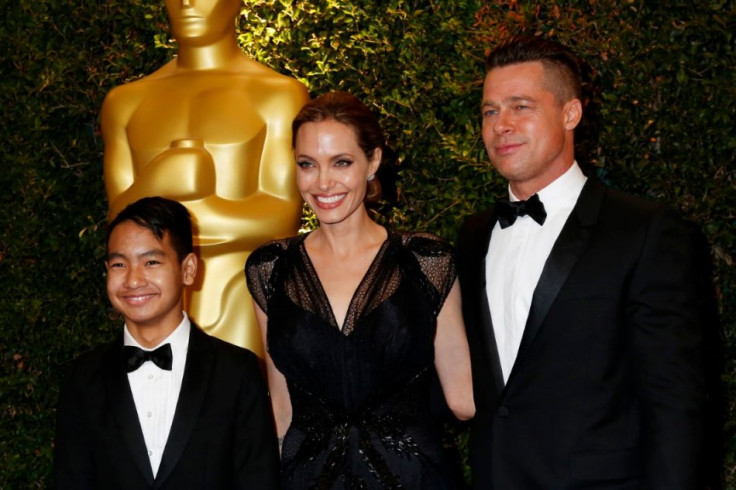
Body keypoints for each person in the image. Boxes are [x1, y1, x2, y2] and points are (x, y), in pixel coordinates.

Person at [456, 35, 705, 488]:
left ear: (570, 113)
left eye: (521, 106)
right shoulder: (473, 236)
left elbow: (675, 401)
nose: (501, 125)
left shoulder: (644, 230)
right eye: (490, 111)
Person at [246, 91, 475, 488]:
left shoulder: (424, 260)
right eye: (307, 164)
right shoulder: (270, 269)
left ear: (373, 162)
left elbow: (464, 399)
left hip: (415, 478)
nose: (322, 182)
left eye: (342, 162)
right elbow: (282, 411)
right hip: (307, 479)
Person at [101, 0, 309, 354]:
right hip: (149, 303)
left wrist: (171, 198)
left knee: (238, 402)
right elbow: (118, 220)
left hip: (237, 297)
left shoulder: (278, 95)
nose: (187, 3)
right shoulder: (125, 103)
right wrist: (163, 175)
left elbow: (281, 216)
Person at [54, 197, 279, 489]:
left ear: (188, 269)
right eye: (119, 264)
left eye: (151, 262)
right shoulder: (82, 378)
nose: (133, 280)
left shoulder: (236, 372)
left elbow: (258, 481)